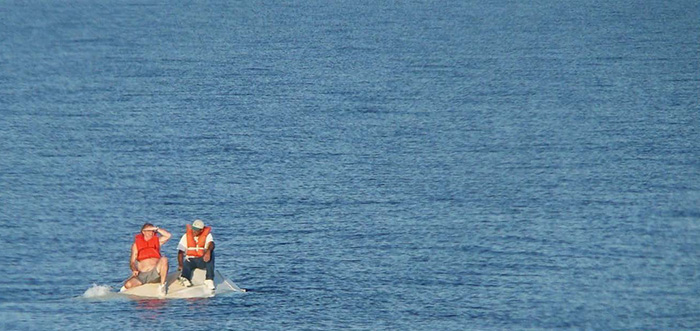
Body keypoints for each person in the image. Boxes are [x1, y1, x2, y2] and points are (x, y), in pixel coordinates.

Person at [123, 223, 172, 297]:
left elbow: (168, 235)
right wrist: (134, 269)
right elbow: (132, 262)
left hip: (155, 272)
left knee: (164, 259)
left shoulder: (157, 241)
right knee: (128, 285)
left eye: (152, 231)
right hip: (142, 275)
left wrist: (157, 229)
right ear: (143, 232)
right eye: (149, 231)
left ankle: (162, 286)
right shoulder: (136, 245)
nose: (151, 233)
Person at [177, 219, 215, 291]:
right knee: (186, 263)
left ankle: (209, 279)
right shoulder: (186, 236)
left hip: (202, 260)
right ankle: (185, 278)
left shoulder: (207, 235)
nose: (194, 231)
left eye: (196, 230)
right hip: (190, 260)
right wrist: (180, 265)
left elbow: (211, 244)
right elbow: (180, 252)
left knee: (211, 253)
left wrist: (208, 251)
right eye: (193, 229)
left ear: (201, 230)